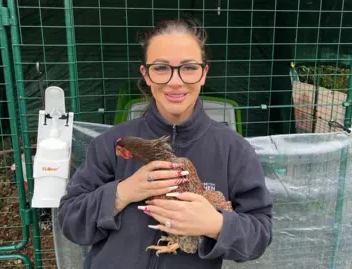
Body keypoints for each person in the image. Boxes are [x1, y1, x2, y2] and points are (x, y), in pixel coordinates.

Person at [58, 18, 274, 269]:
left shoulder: (233, 150)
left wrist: (216, 224)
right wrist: (123, 193)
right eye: (161, 68)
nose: (175, 81)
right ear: (146, 75)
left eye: (189, 67)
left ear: (204, 73)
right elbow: (71, 222)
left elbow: (260, 232)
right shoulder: (112, 144)